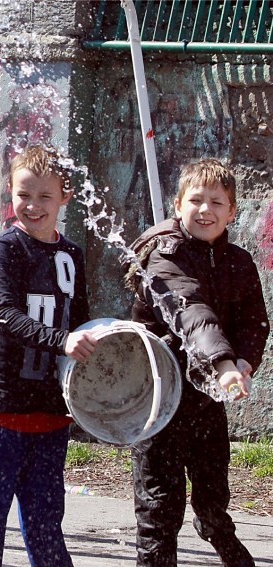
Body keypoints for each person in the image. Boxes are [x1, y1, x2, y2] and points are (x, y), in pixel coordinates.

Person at [0, 145, 98, 567]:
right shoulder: (5, 249)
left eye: (44, 197)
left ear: (64, 196)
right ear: (10, 192)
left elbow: (81, 322)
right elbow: (2, 314)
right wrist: (61, 340)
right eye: (23, 195)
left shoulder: (71, 255)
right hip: (4, 408)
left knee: (46, 521)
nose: (32, 206)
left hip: (52, 412)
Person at [122, 158, 268, 567]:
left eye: (217, 203)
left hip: (205, 403)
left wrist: (242, 362)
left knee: (212, 492)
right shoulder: (162, 257)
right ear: (178, 204)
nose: (205, 210)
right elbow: (192, 312)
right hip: (158, 399)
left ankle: (218, 532)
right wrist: (222, 363)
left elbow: (254, 320)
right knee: (159, 505)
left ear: (232, 211)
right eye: (196, 200)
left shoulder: (239, 262)